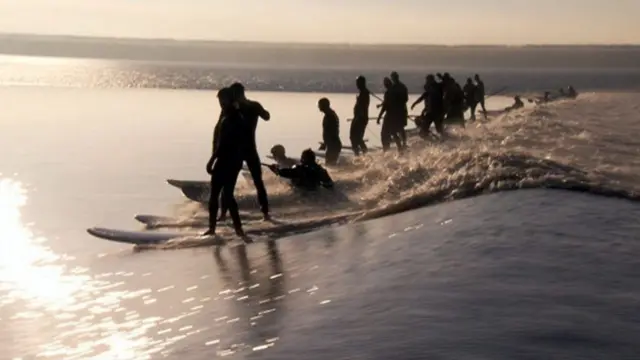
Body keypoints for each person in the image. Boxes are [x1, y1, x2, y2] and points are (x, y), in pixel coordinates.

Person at [204, 88, 249, 241]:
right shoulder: (233, 116)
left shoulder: (232, 119)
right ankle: (237, 230)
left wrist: (212, 160)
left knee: (218, 195)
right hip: (234, 160)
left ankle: (214, 229)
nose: (220, 104)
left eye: (221, 101)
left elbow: (223, 143)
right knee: (226, 195)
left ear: (227, 100)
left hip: (227, 161)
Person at [229, 82, 271, 221]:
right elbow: (267, 116)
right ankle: (265, 213)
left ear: (236, 93)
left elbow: (266, 116)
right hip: (247, 148)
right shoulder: (253, 105)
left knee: (232, 182)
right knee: (258, 181)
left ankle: (265, 212)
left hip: (239, 150)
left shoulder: (239, 107)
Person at [267, 149, 334, 190]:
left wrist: (275, 169)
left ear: (305, 159)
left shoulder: (300, 169)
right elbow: (330, 185)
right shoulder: (321, 170)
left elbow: (283, 173)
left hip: (302, 194)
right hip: (315, 192)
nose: (301, 160)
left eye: (302, 158)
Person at [377, 77, 404, 153]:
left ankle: (386, 149)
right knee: (393, 132)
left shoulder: (388, 93)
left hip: (389, 116)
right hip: (396, 115)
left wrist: (379, 117)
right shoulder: (395, 92)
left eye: (385, 84)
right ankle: (400, 148)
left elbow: (385, 106)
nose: (384, 85)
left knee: (384, 134)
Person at [318, 97, 342, 166]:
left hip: (333, 145)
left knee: (330, 165)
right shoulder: (330, 114)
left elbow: (332, 132)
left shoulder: (330, 116)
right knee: (330, 164)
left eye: (319, 104)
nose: (318, 106)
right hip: (332, 144)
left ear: (324, 105)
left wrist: (326, 144)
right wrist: (325, 144)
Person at [350, 75, 370, 156]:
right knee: (355, 137)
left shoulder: (364, 93)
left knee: (356, 137)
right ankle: (358, 153)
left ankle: (360, 154)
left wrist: (358, 117)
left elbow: (363, 106)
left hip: (360, 118)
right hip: (358, 117)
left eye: (358, 82)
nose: (356, 84)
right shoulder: (363, 92)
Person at [390, 71, 409, 147]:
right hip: (398, 110)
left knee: (399, 128)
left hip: (400, 110)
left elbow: (405, 99)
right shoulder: (400, 87)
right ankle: (402, 144)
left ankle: (402, 144)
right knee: (399, 128)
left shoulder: (401, 87)